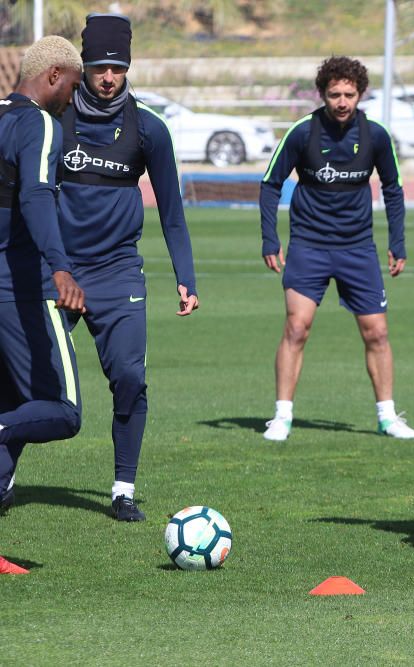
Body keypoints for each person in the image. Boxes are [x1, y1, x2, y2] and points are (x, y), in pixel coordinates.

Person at [56, 14, 199, 522]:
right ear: (84, 68)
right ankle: (5, 480)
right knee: (28, 377)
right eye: (99, 68)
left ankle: (122, 490)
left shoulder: (147, 129)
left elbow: (172, 212)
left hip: (118, 274)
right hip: (59, 274)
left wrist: (186, 275)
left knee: (130, 381)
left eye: (117, 67)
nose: (109, 77)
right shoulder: (57, 122)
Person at [259, 55, 414, 441]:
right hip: (309, 246)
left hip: (358, 249)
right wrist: (270, 238)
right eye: (334, 94)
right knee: (297, 327)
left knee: (376, 333)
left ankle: (387, 416)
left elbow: (393, 189)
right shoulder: (302, 132)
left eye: (349, 94)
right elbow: (269, 184)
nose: (342, 101)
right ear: (323, 94)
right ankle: (282, 416)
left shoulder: (376, 135)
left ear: (360, 93)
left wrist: (397, 242)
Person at [0, 36, 86, 574]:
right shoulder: (40, 124)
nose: (73, 100)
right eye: (72, 87)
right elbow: (35, 195)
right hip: (21, 288)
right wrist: (60, 267)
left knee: (11, 400)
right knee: (63, 410)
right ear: (54, 75)